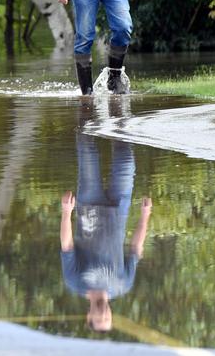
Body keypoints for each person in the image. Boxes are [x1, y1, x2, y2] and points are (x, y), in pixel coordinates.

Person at [60, 121, 152, 333]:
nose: (103, 315)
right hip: (119, 208)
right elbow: (136, 250)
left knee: (87, 148)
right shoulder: (123, 285)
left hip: (89, 206)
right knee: (126, 157)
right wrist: (145, 216)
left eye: (98, 319)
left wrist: (66, 213)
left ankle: (86, 105)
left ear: (88, 316)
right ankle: (117, 106)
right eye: (107, 319)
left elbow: (67, 246)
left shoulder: (75, 282)